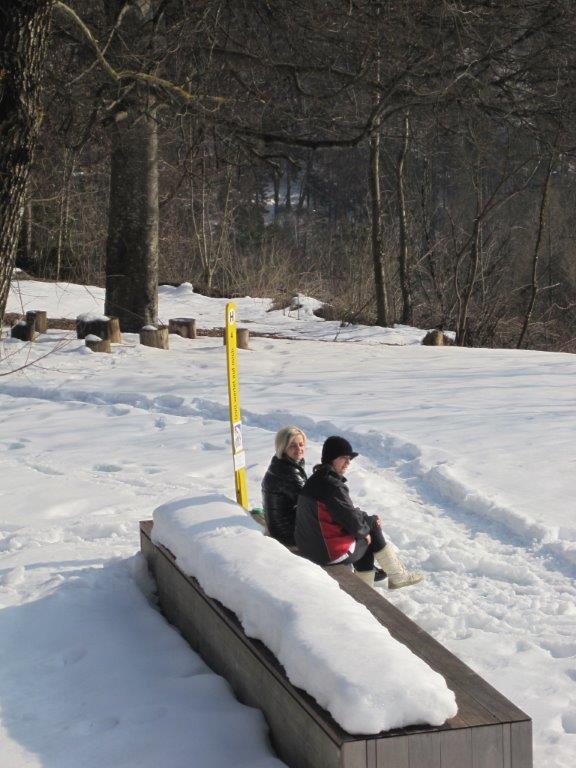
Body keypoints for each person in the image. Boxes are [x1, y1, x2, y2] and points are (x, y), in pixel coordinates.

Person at [295, 435, 424, 589]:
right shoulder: (332, 486)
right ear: (331, 458)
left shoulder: (317, 479)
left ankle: (373, 583)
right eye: (343, 458)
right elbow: (353, 522)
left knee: (366, 530)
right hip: (326, 553)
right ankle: (395, 577)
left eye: (349, 458)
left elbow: (345, 512)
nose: (348, 462)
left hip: (310, 546)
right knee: (370, 529)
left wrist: (364, 521)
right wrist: (368, 526)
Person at [261, 426, 308, 546]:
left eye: (301, 444)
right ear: (283, 447)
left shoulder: (283, 462)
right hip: (287, 533)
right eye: (292, 445)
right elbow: (312, 501)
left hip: (282, 525)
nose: (299, 449)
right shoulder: (286, 471)